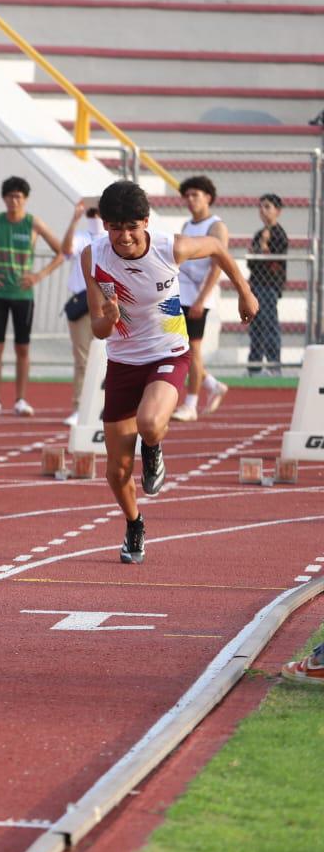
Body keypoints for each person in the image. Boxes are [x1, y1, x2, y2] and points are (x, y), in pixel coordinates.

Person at [82, 180, 257, 565]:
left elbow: (215, 247)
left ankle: (155, 448)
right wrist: (107, 319)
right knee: (116, 470)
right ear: (106, 226)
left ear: (145, 222)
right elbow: (97, 330)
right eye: (115, 227)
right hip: (124, 361)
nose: (124, 236)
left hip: (168, 351)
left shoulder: (168, 247)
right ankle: (134, 523)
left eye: (132, 226)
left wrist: (244, 291)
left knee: (149, 421)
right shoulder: (92, 256)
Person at [0, 176, 66, 416]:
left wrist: (39, 275)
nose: (14, 201)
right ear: (4, 198)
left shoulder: (33, 224)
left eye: (18, 196)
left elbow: (62, 251)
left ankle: (21, 400)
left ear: (25, 199)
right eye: (10, 196)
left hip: (23, 295)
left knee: (22, 349)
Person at [172, 175, 230, 421]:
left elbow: (217, 266)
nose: (190, 200)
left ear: (208, 197)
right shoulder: (187, 226)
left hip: (198, 298)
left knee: (193, 350)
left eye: (195, 195)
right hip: (180, 294)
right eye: (187, 195)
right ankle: (212, 384)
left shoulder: (216, 227)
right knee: (177, 348)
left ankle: (190, 404)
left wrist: (200, 300)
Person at [59, 200, 105, 425]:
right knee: (82, 359)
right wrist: (74, 218)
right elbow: (66, 249)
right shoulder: (82, 237)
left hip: (106, 303)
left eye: (98, 212)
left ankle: (104, 406)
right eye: (91, 212)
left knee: (111, 358)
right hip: (82, 302)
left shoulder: (110, 239)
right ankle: (79, 407)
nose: (94, 216)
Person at [246, 193, 288, 376]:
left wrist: (263, 246)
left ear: (277, 211)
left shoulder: (279, 234)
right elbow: (251, 263)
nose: (263, 210)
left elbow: (273, 264)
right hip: (255, 285)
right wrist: (259, 250)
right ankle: (254, 367)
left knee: (269, 325)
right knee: (255, 327)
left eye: (267, 207)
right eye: (261, 206)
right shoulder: (258, 233)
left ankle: (273, 366)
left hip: (269, 286)